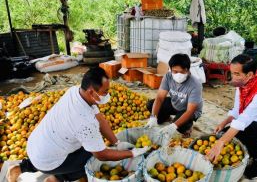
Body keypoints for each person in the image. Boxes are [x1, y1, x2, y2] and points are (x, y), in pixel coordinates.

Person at [7, 67, 150, 182]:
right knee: (92, 161)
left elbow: (100, 119)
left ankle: (20, 168)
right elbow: (102, 155)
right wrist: (130, 153)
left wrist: (117, 142)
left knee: (80, 147)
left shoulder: (75, 92)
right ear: (91, 92)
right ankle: (57, 178)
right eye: (105, 92)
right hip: (47, 158)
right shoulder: (85, 122)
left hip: (37, 145)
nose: (108, 95)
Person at [206, 54, 257, 179]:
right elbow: (237, 110)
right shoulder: (243, 84)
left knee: (240, 131)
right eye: (232, 73)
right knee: (227, 133)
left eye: (237, 74)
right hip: (250, 123)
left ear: (249, 75)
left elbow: (243, 120)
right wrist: (224, 123)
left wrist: (220, 143)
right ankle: (247, 146)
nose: (233, 77)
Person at [145, 53, 203, 139]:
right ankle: (166, 118)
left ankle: (188, 126)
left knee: (179, 126)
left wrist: (173, 126)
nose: (178, 75)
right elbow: (160, 98)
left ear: (188, 70)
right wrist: (153, 117)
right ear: (170, 69)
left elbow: (190, 110)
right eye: (175, 71)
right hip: (175, 103)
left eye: (182, 72)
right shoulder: (168, 76)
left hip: (189, 110)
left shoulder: (195, 84)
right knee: (150, 104)